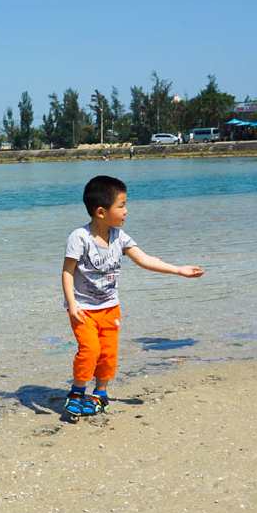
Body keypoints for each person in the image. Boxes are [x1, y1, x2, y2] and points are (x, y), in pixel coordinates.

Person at [61, 175, 204, 416]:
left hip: (110, 308)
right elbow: (67, 271)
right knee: (89, 350)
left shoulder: (120, 237)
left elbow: (145, 259)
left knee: (108, 353)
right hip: (83, 309)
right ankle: (77, 391)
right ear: (100, 211)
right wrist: (72, 304)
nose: (126, 211)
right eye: (121, 205)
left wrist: (178, 269)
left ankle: (100, 395)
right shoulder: (79, 237)